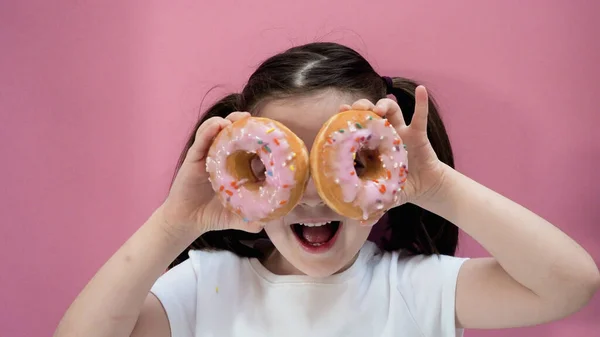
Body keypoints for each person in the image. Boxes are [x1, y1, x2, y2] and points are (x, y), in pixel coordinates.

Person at [54, 42, 599, 337]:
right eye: (277, 167)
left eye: (351, 163)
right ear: (242, 172)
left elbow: (569, 285)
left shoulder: (414, 289)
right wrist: (173, 224)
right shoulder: (204, 286)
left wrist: (436, 188)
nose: (312, 196)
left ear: (385, 167)